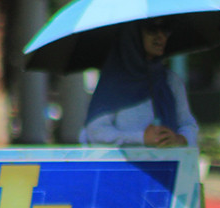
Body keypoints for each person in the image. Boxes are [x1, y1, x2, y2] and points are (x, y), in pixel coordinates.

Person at [80, 17, 198, 148]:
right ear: (132, 35)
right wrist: (141, 138)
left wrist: (180, 139)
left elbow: (188, 124)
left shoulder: (169, 80)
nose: (161, 37)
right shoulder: (113, 84)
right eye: (152, 29)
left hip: (169, 165)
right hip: (126, 167)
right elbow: (96, 132)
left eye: (165, 30)